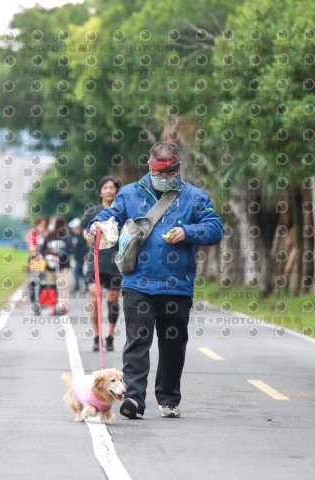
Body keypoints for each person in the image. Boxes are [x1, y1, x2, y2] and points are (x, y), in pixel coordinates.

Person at [88, 141, 224, 419]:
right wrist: (97, 224)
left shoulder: (195, 197)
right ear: (150, 167)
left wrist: (187, 231)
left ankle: (169, 398)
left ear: (178, 168)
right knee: (138, 342)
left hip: (178, 285)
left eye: (169, 173)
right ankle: (134, 399)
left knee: (173, 343)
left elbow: (215, 228)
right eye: (160, 174)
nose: (164, 179)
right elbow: (110, 215)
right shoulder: (129, 194)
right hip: (138, 282)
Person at [81, 176, 122, 352]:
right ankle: (97, 337)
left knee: (112, 300)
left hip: (115, 264)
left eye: (111, 188)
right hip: (95, 262)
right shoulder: (93, 211)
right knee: (95, 297)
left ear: (116, 192)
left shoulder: (121, 211)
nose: (108, 190)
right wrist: (87, 237)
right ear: (100, 192)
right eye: (105, 188)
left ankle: (110, 336)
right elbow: (83, 228)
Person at [40, 215, 73, 315]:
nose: (50, 224)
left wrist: (60, 257)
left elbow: (69, 249)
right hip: (50, 266)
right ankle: (52, 306)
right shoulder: (48, 236)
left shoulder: (66, 236)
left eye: (52, 222)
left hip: (63, 266)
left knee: (63, 285)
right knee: (51, 285)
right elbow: (42, 249)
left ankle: (63, 306)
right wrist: (45, 257)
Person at [68, 217, 88, 292]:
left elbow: (84, 247)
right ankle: (87, 284)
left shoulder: (82, 236)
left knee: (76, 271)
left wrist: (84, 256)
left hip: (81, 257)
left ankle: (77, 286)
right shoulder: (76, 236)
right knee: (79, 271)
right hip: (77, 257)